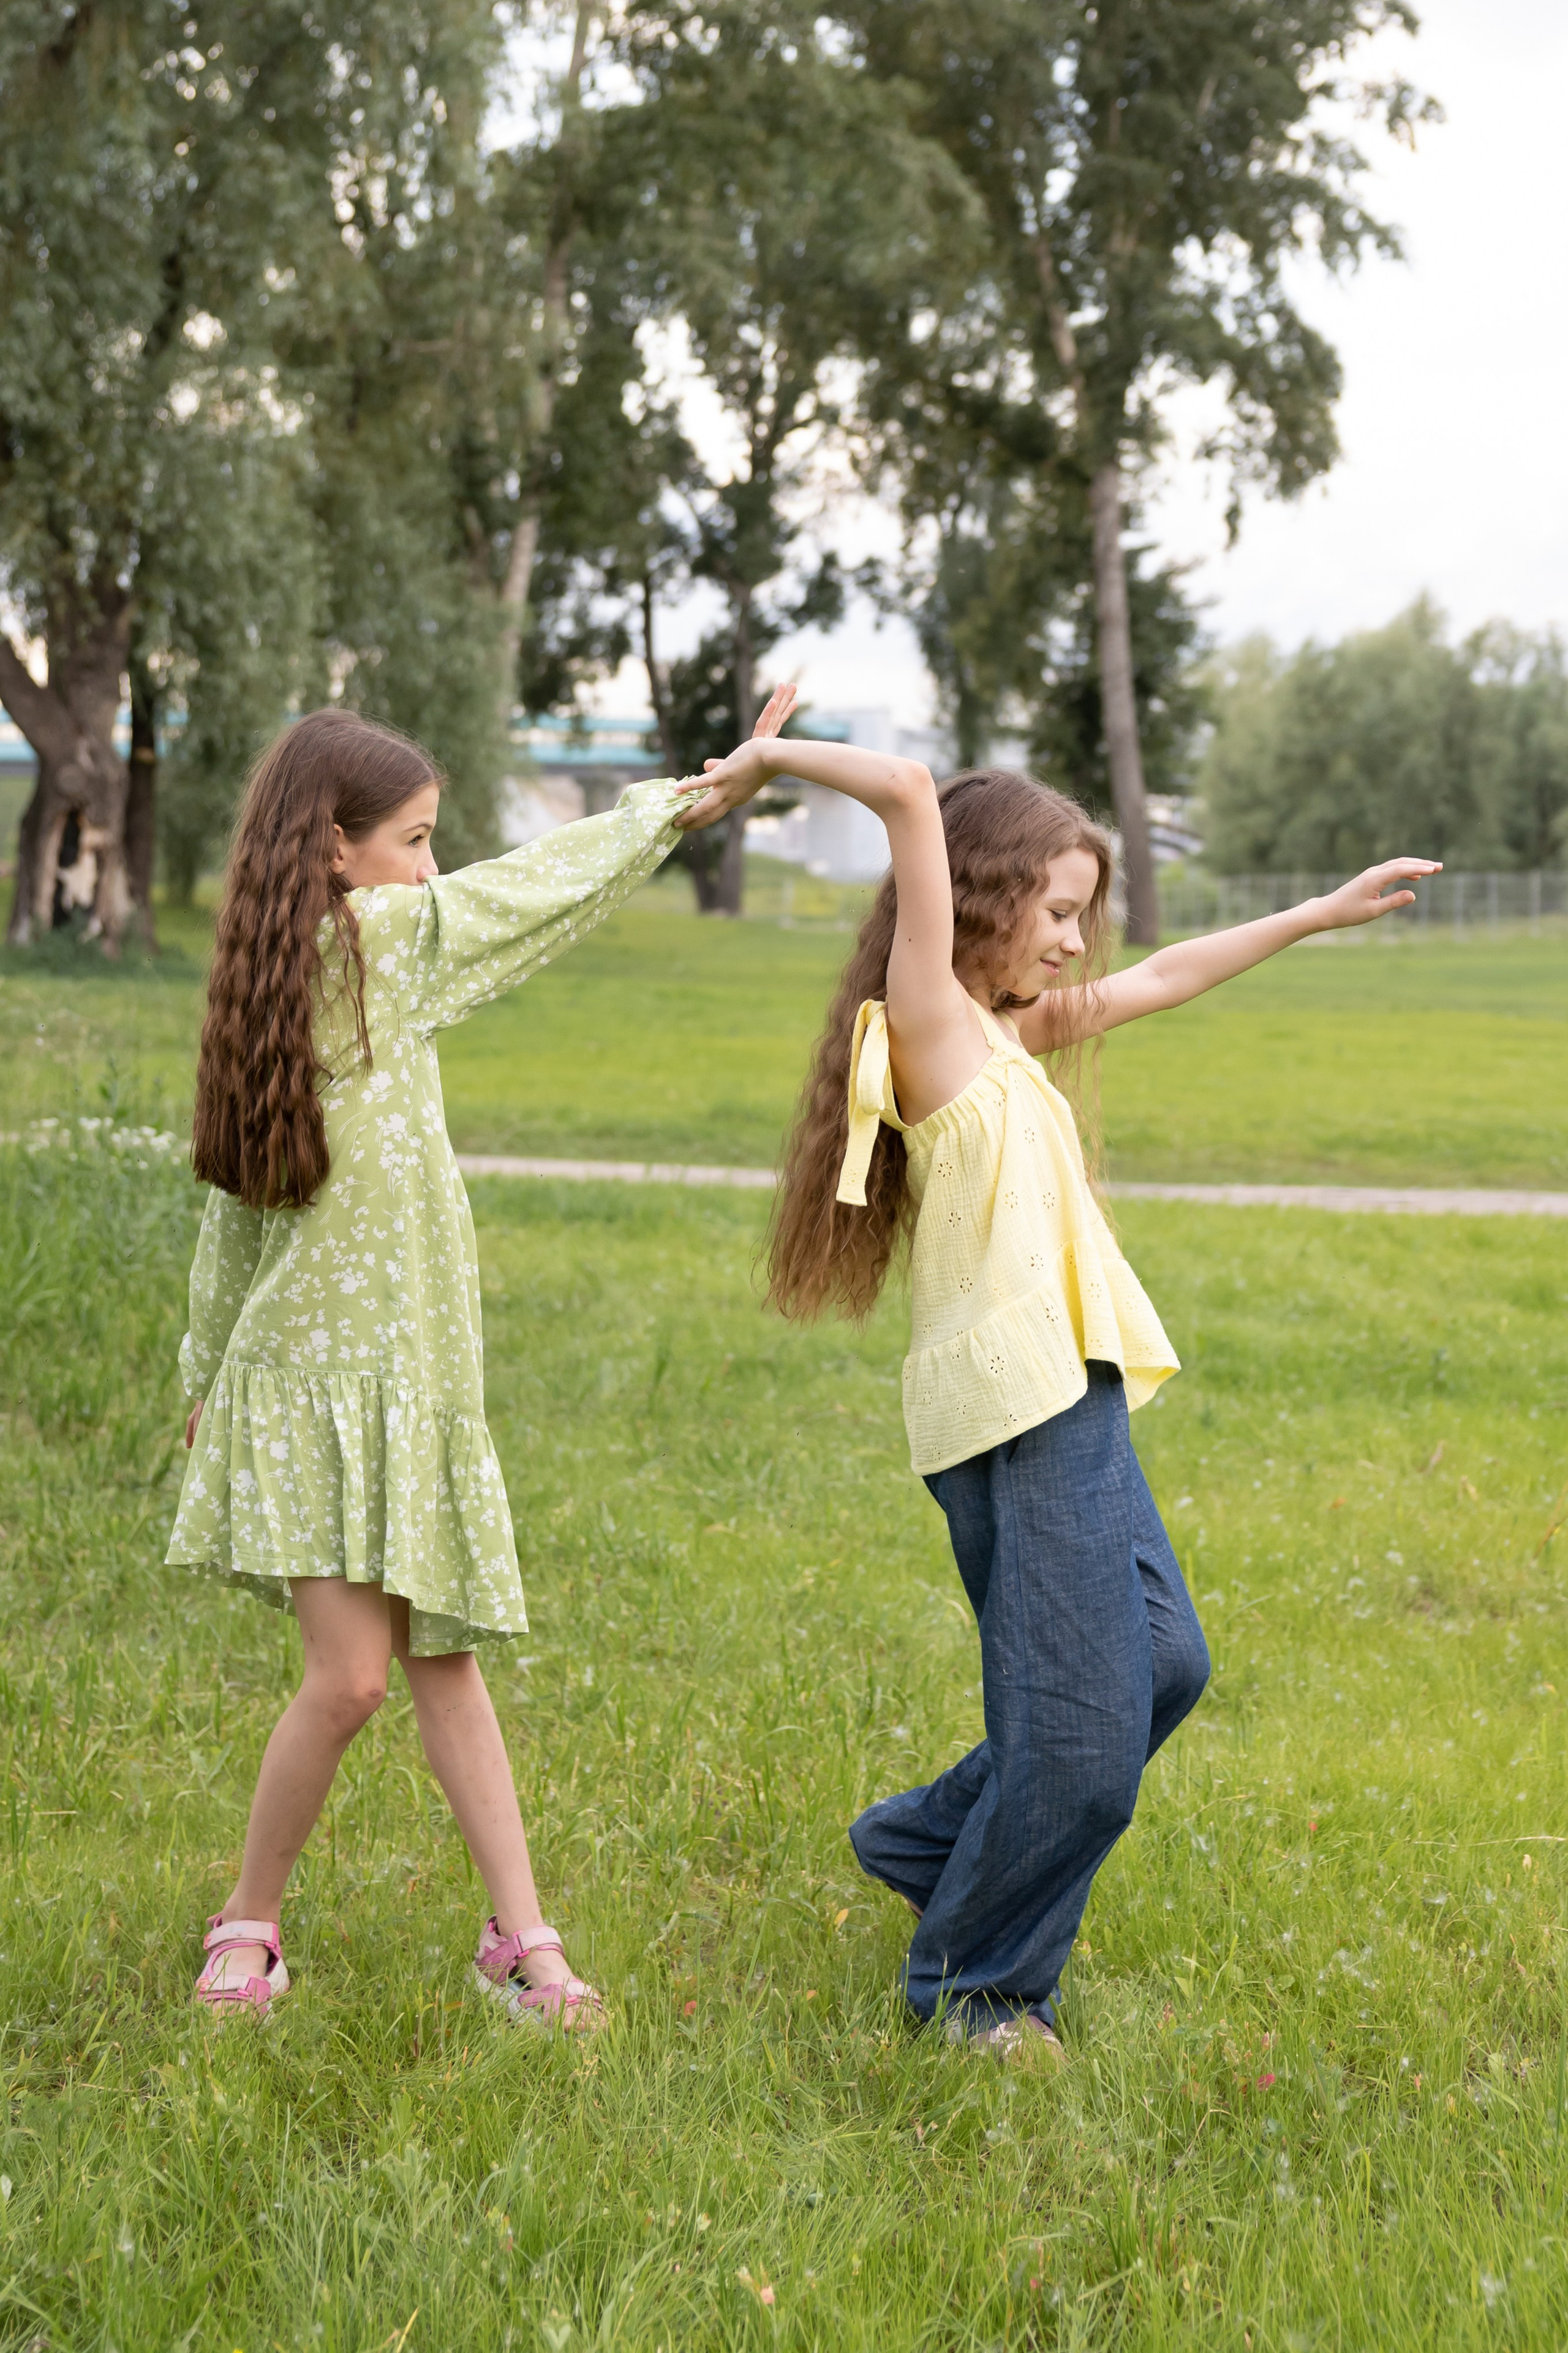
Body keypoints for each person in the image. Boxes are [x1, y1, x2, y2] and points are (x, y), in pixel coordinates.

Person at [676, 713, 1437, 2057]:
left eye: (1085, 918)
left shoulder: (1005, 1031)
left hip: (1065, 1390)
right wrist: (762, 767)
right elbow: (910, 789)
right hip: (1014, 1408)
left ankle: (927, 1840)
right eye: (1060, 909)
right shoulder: (929, 1022)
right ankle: (973, 1989)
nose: (1076, 943)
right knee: (1083, 1738)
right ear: (981, 890)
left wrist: (1315, 914)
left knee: (1162, 1664)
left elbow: (1169, 975)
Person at [172, 694, 791, 2022]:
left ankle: (520, 1938)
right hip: (307, 1382)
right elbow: (236, 1205)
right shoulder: (352, 957)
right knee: (344, 1681)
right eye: (412, 839)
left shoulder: (368, 950)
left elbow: (522, 901)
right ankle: (249, 1918)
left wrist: (680, 810)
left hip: (416, 1380)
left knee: (442, 1660)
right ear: (333, 850)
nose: (431, 869)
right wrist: (206, 1369)